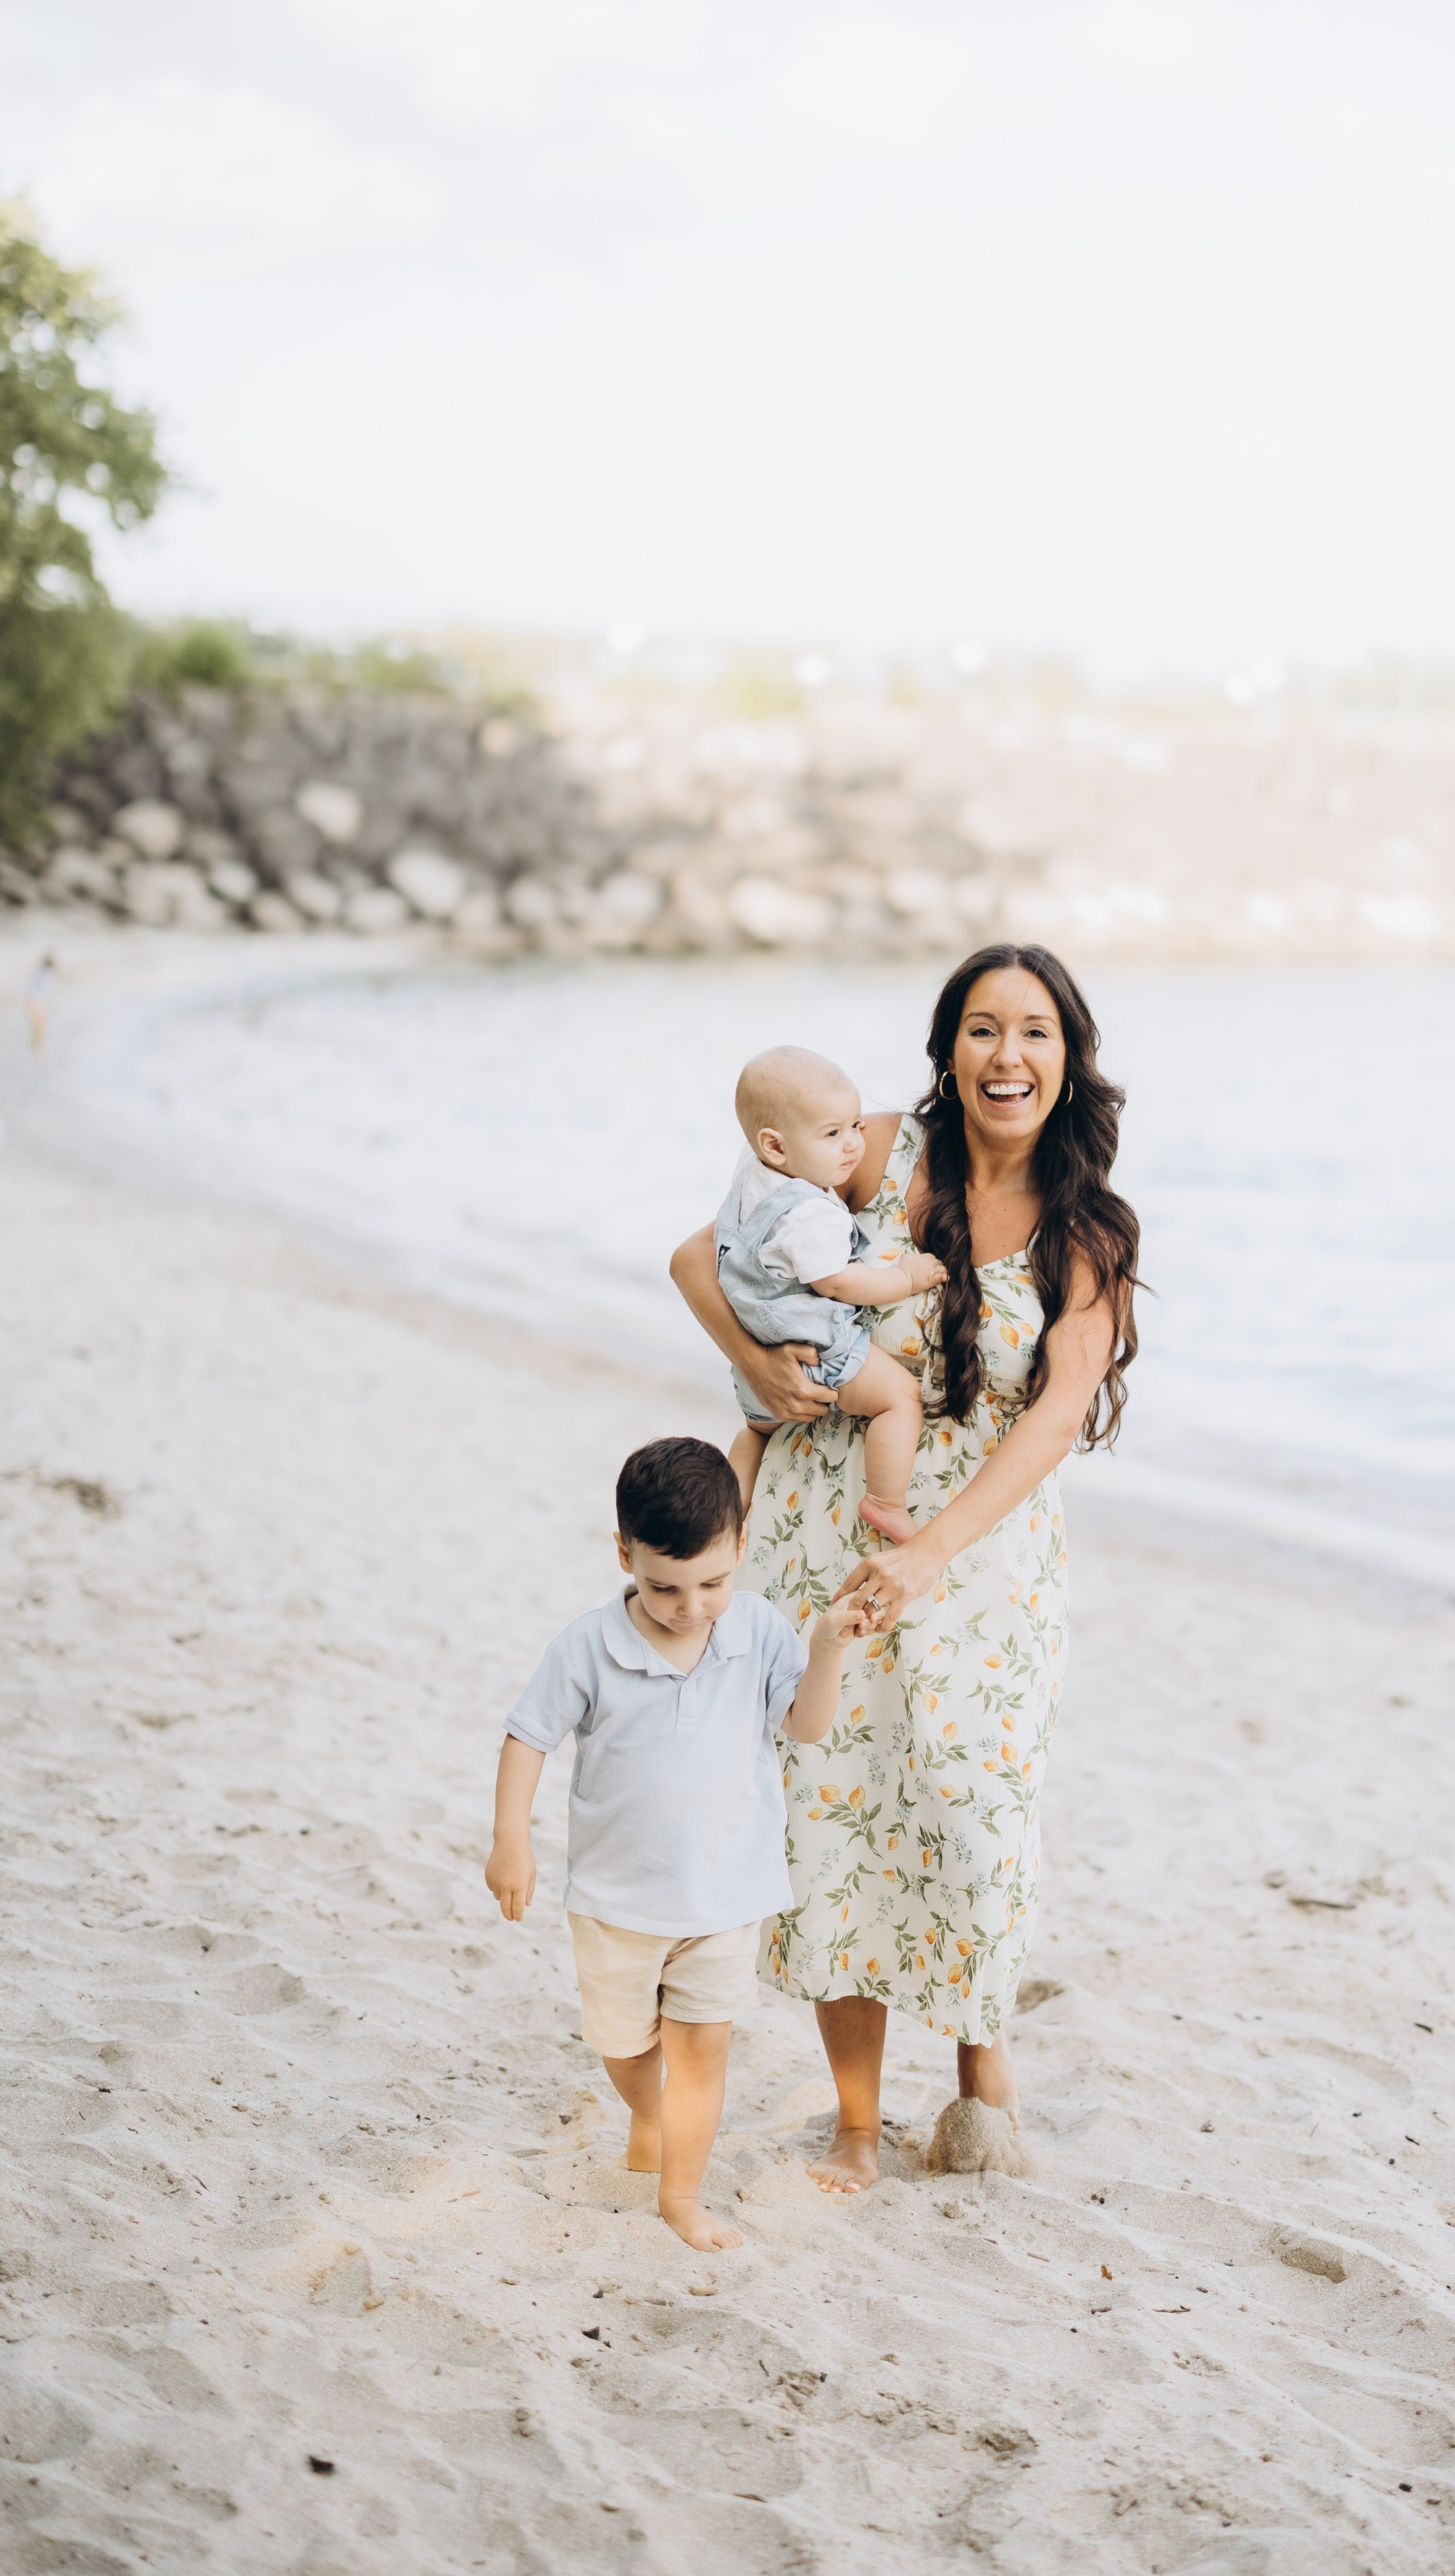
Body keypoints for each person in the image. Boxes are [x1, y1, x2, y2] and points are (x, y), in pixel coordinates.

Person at [669, 943, 1139, 2193]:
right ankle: (859, 2119)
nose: (1006, 1057)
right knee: (831, 1819)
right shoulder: (869, 1152)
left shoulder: (1087, 1226)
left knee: (970, 1812)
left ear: (1066, 1057)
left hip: (982, 1556)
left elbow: (1054, 1416)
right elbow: (700, 1259)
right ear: (949, 1051)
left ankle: (985, 2070)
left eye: (1033, 1033)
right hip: (826, 1530)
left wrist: (932, 1550)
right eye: (982, 1030)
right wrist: (759, 1366)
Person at [484, 1436, 868, 2251]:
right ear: (623, 1551)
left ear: (740, 1545)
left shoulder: (759, 1628)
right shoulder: (589, 1644)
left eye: (712, 1583)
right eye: (663, 1586)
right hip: (617, 1901)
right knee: (625, 2047)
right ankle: (646, 2111)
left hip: (725, 1896)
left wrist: (828, 1645)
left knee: (702, 2051)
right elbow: (527, 1737)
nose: (690, 1606)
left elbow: (807, 1724)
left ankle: (682, 2196)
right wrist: (509, 1840)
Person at [716, 1043, 948, 1540]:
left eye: (856, 1126)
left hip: (754, 1368)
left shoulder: (753, 1178)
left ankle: (728, 1518)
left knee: (756, 1433)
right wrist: (906, 1277)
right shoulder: (809, 1213)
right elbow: (838, 1283)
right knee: (900, 1398)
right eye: (833, 1133)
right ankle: (886, 1501)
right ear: (776, 1146)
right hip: (811, 1351)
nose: (853, 1147)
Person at [25, 951, 56, 1055]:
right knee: (38, 1028)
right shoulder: (44, 975)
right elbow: (39, 991)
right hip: (38, 1005)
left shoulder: (37, 973)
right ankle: (36, 1049)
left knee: (36, 1028)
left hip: (35, 1004)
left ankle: (35, 1048)